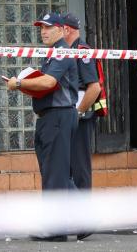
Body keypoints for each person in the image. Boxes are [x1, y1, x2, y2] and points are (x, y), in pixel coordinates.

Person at [6, 12, 78, 243]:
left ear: (61, 30)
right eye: (41, 28)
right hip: (51, 117)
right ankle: (87, 216)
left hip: (58, 116)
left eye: (48, 27)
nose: (43, 32)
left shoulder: (62, 52)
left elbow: (49, 82)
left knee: (55, 174)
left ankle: (55, 229)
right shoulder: (51, 54)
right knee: (55, 172)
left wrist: (19, 83)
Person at [61, 13, 100, 188]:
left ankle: (83, 210)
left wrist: (77, 113)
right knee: (66, 166)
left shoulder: (82, 51)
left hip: (80, 118)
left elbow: (94, 88)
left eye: (55, 28)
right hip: (68, 116)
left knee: (79, 166)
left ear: (66, 29)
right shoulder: (66, 51)